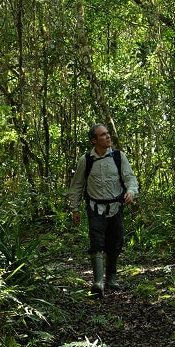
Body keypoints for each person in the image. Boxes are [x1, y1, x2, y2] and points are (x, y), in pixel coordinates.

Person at [69, 124, 139, 298]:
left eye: (108, 134)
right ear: (94, 140)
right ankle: (98, 282)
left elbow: (130, 177)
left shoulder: (118, 157)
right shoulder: (86, 160)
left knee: (116, 242)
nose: (108, 137)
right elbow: (77, 185)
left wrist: (131, 192)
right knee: (96, 242)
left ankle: (112, 278)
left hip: (116, 206)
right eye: (103, 135)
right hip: (94, 207)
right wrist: (75, 208)